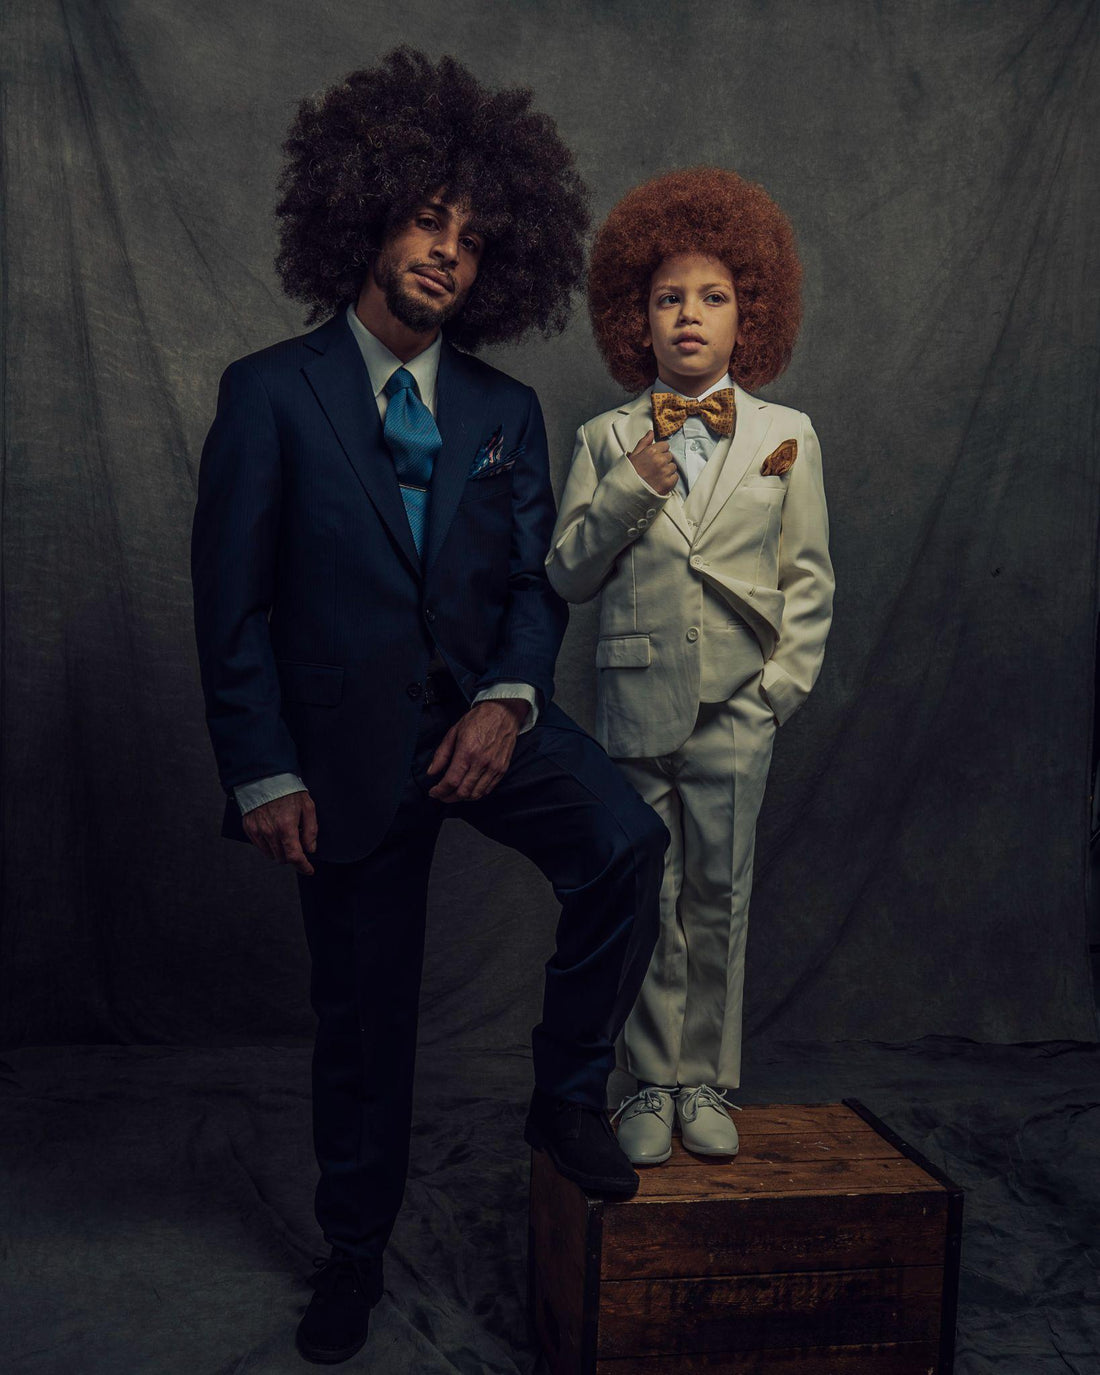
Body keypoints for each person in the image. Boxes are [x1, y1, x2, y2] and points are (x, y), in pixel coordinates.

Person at [190, 48, 666, 1366]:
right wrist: (264, 771)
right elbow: (229, 611)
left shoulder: (506, 410)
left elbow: (529, 582)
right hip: (340, 759)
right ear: (364, 217)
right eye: (424, 220)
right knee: (365, 1021)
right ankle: (353, 1254)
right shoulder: (268, 396)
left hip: (484, 725)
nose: (446, 254)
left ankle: (566, 1095)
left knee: (627, 843)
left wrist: (512, 702)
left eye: (470, 236)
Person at [546, 167, 834, 1168]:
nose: (687, 316)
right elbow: (566, 572)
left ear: (747, 310)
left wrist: (773, 696)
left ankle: (704, 1076)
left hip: (735, 708)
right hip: (633, 703)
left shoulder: (784, 436)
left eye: (711, 296)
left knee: (719, 893)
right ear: (636, 314)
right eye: (668, 296)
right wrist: (627, 488)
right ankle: (645, 1081)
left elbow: (809, 583)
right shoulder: (604, 437)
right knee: (644, 898)